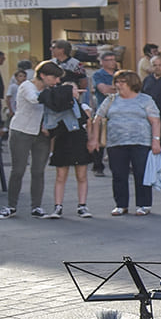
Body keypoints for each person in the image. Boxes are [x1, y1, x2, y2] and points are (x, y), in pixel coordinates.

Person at [96, 70, 161, 215]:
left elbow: (155, 121)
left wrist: (156, 141)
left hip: (141, 141)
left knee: (141, 173)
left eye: (122, 82)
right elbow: (98, 118)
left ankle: (144, 204)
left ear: (132, 83)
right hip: (116, 142)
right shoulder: (110, 100)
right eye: (117, 82)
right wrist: (94, 138)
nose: (119, 85)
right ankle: (121, 205)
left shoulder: (145, 100)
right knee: (119, 174)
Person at [39, 62, 93, 218]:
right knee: (60, 175)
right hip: (63, 140)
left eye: (74, 88)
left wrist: (92, 140)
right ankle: (58, 206)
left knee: (82, 175)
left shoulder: (82, 107)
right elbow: (48, 126)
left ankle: (82, 205)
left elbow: (88, 122)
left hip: (78, 139)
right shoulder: (55, 106)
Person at [1, 61, 50, 218]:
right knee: (18, 170)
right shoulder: (27, 86)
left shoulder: (51, 88)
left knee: (38, 171)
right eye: (54, 77)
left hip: (41, 133)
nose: (57, 81)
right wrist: (56, 94)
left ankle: (36, 206)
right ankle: (11, 206)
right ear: (43, 76)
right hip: (21, 130)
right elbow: (34, 99)